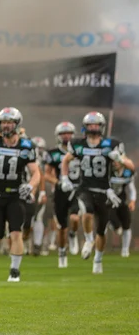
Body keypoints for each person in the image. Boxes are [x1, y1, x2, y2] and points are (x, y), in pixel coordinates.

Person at [60, 111, 134, 274]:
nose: (93, 127)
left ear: (101, 127)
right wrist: (65, 178)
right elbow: (66, 160)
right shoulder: (78, 144)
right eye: (90, 125)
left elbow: (131, 167)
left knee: (101, 229)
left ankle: (98, 259)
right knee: (86, 212)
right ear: (85, 127)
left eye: (96, 125)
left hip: (105, 191)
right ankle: (88, 240)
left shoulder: (112, 144)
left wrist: (120, 159)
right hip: (85, 187)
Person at [0, 108, 40, 282]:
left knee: (16, 233)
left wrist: (30, 186)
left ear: (17, 124)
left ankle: (14, 271)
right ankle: (4, 230)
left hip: (16, 194)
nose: (5, 125)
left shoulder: (26, 146)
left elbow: (36, 173)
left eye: (9, 122)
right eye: (3, 122)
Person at [44, 122, 82, 268]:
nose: (66, 136)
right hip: (61, 192)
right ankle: (61, 253)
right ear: (58, 136)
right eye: (63, 134)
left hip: (78, 189)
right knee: (61, 227)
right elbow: (46, 174)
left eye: (69, 133)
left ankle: (72, 235)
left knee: (74, 218)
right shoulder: (53, 152)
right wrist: (58, 182)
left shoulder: (80, 149)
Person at [108, 160, 135, 257]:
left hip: (122, 201)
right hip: (109, 201)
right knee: (116, 226)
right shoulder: (108, 171)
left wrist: (132, 201)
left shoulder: (127, 172)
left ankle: (125, 250)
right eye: (114, 161)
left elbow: (132, 189)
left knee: (127, 225)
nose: (115, 163)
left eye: (117, 161)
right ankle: (112, 224)